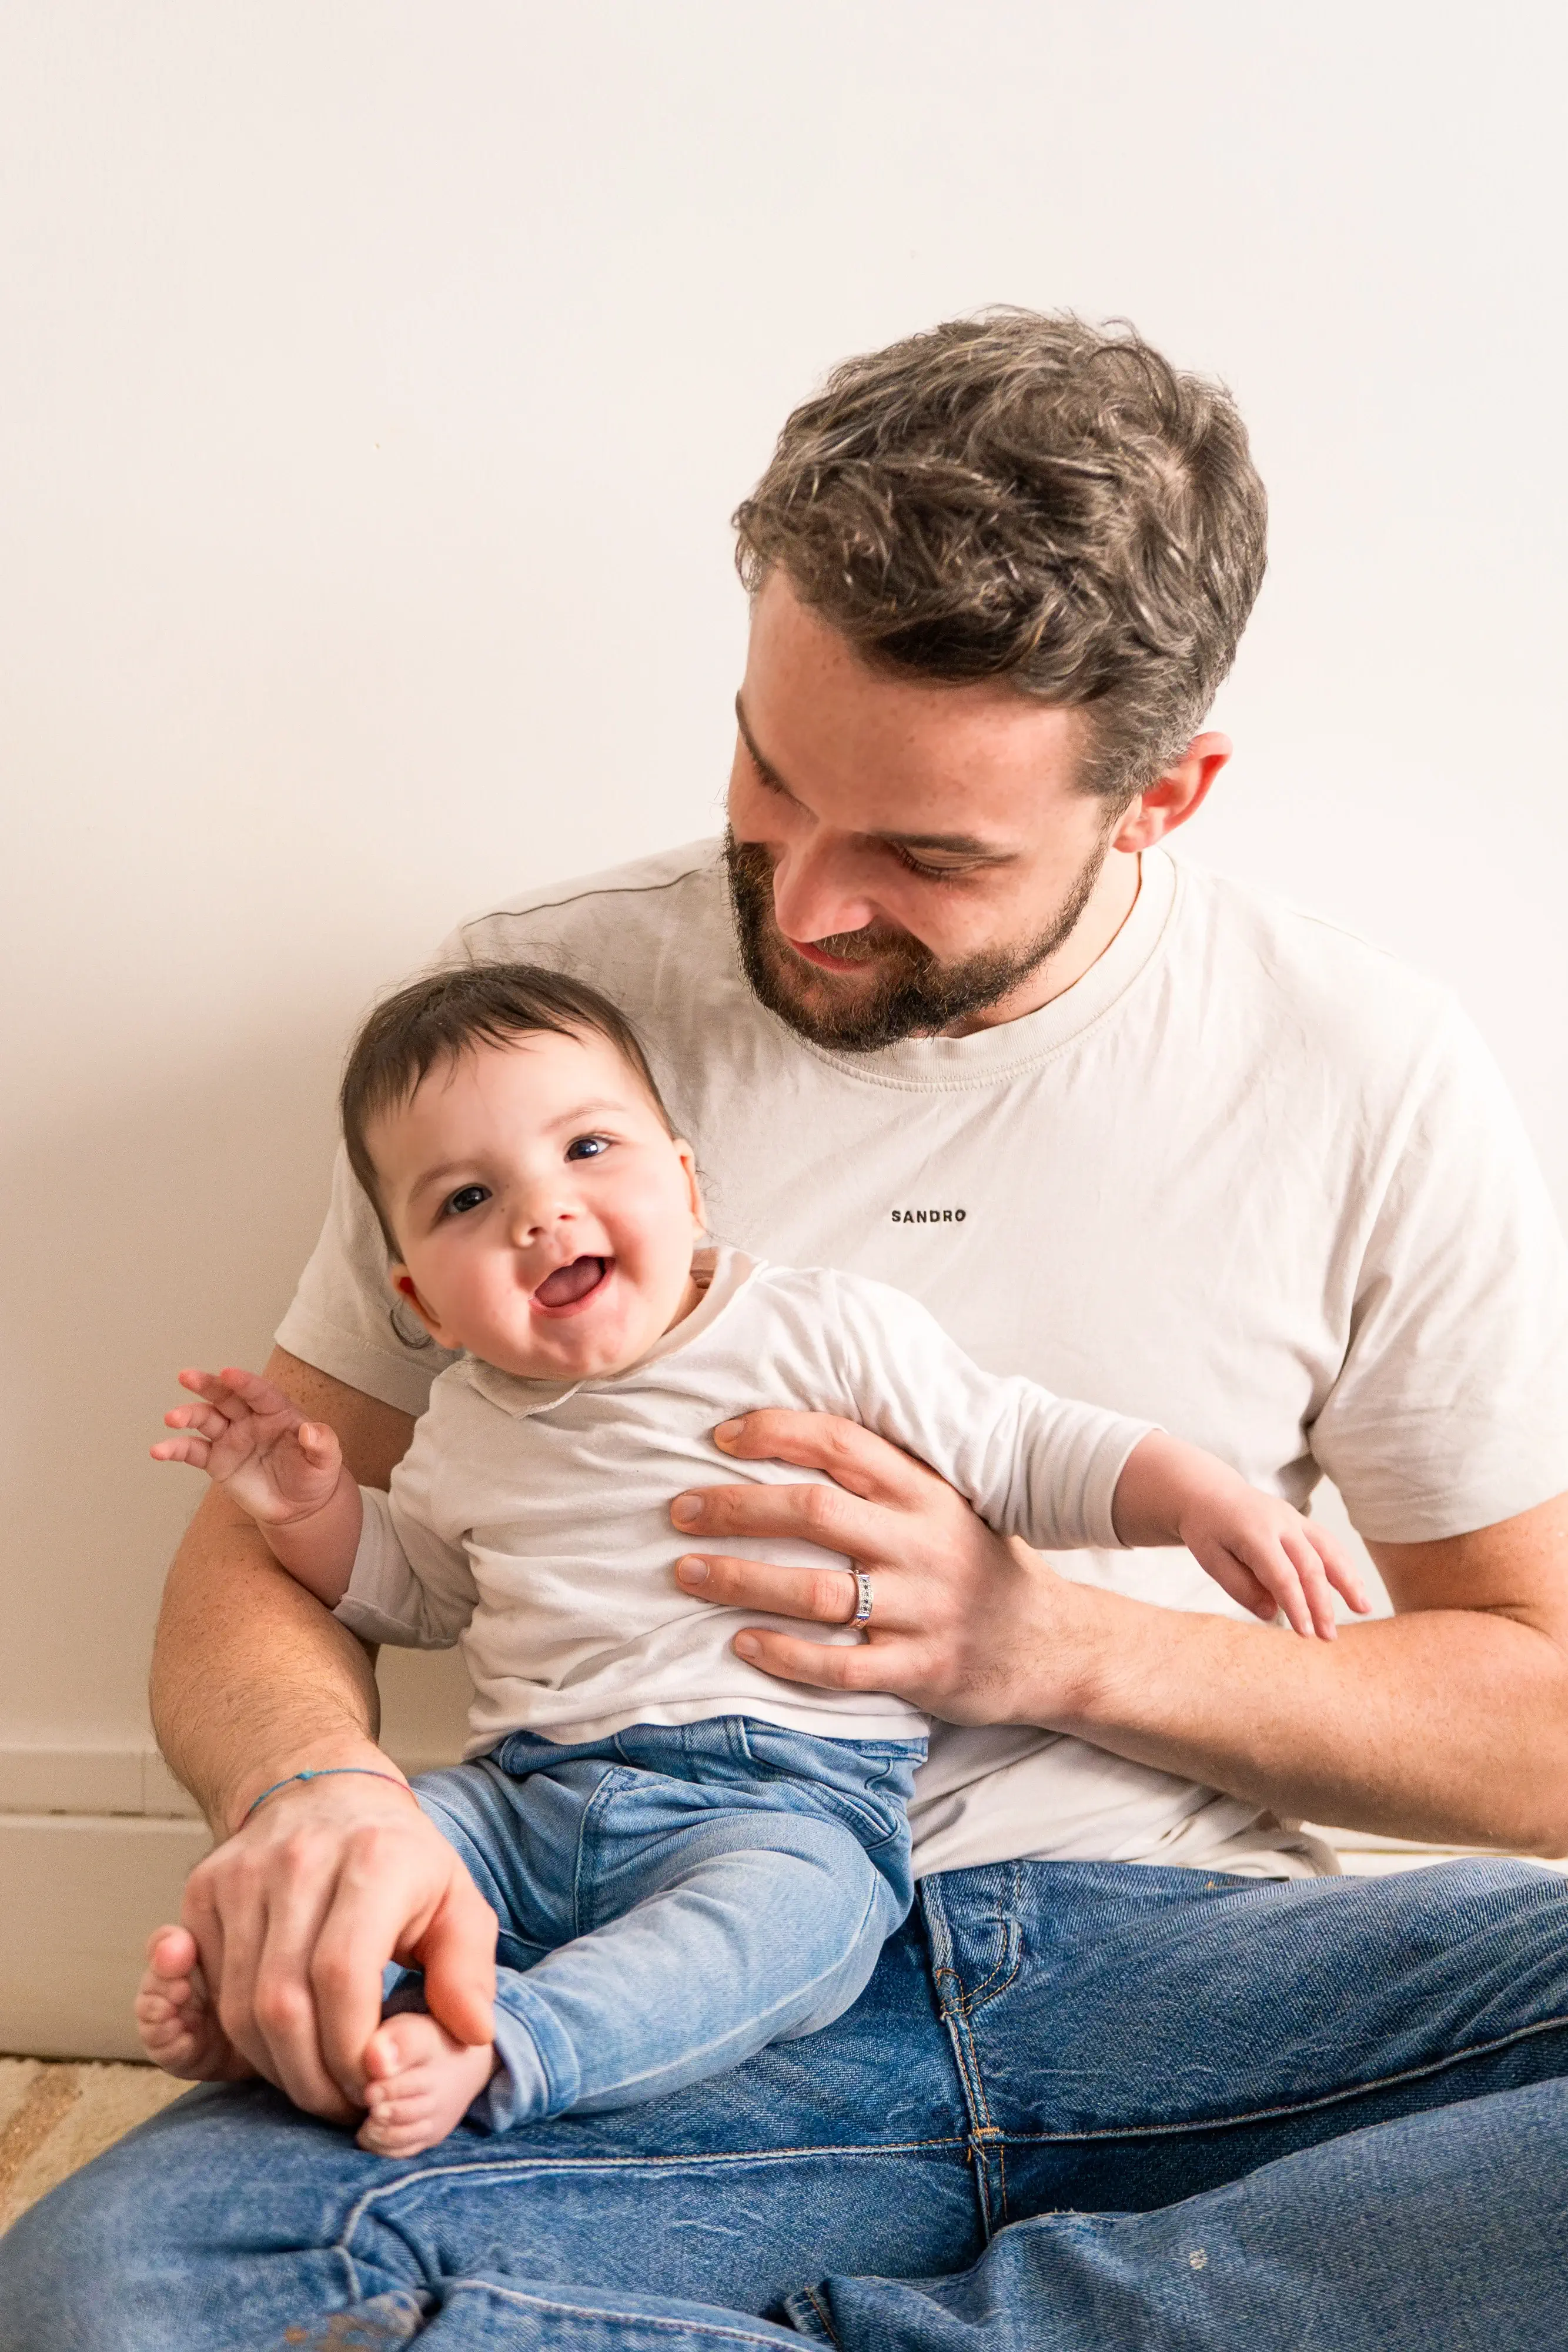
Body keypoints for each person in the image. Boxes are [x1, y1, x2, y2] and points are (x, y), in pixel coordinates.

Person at [5, 308, 1568, 2347]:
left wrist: (1050, 1642)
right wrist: (324, 1803)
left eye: (921, 854)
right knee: (117, 2294)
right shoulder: (523, 1026)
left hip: (1183, 1986)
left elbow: (1538, 1723)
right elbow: (274, 1555)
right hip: (647, 1976)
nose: (805, 902)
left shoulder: (1357, 1065)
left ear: (1157, 799)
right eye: (766, 771)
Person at [137, 962, 1360, 2157]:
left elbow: (1020, 1445)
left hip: (781, 1798)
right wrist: (308, 1510)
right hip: (525, 1797)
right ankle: (285, 1998)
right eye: (466, 1200)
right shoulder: (462, 1426)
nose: (539, 1212)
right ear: (423, 1299)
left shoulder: (815, 1328)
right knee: (391, 1841)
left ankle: (519, 2044)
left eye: (587, 1149)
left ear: (685, 1183)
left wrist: (1200, 1495)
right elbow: (423, 1591)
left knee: (792, 1929)